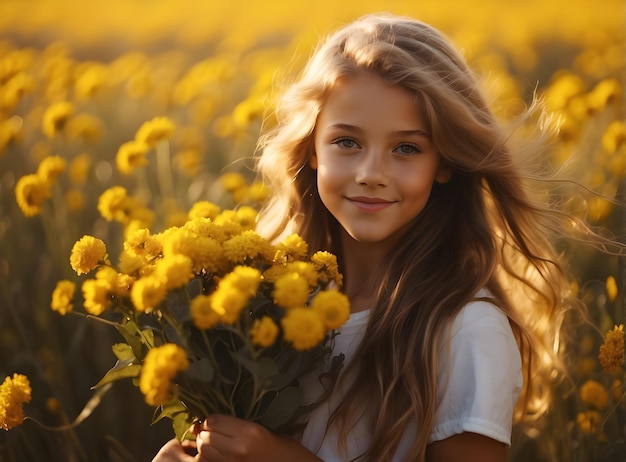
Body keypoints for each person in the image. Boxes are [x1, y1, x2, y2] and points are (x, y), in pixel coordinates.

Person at [153, 12, 597, 461]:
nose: (371, 175)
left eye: (406, 148)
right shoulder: (268, 299)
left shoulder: (464, 330)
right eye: (347, 142)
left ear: (444, 163)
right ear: (310, 148)